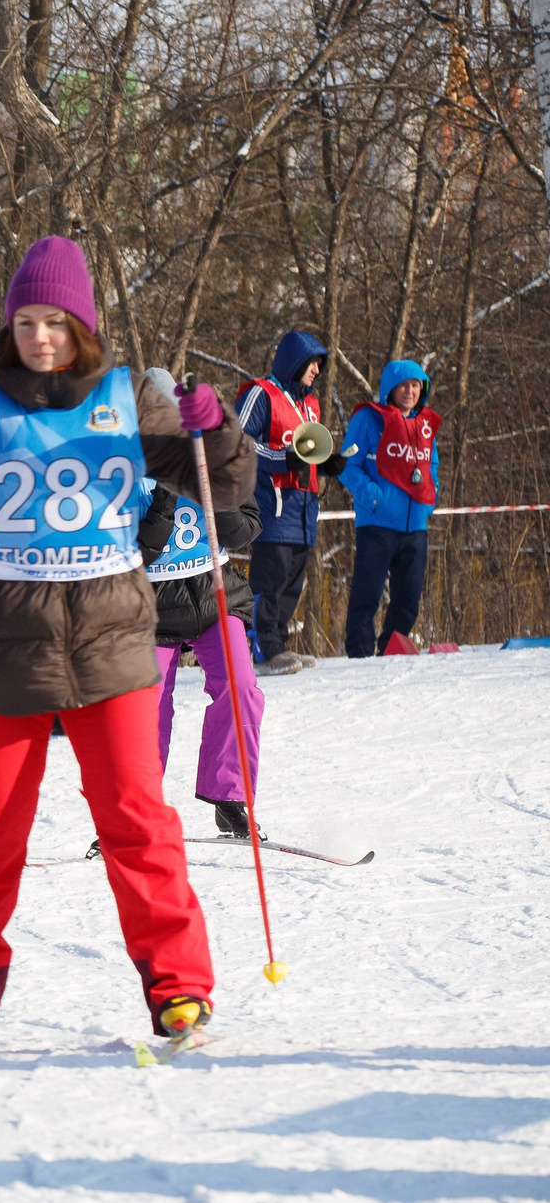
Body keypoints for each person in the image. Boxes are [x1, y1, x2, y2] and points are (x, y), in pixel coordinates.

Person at [0, 235, 242, 1051]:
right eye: (28, 320)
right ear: (9, 326)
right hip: (1, 650)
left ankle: (180, 988)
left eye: (57, 320)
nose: (41, 336)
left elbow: (227, 483)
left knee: (138, 822)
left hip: (111, 649)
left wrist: (215, 433)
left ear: (84, 325)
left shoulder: (123, 397)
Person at [140, 464, 265, 841]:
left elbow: (247, 528)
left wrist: (210, 494)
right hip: (150, 604)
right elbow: (134, 552)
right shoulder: (125, 466)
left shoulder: (213, 457)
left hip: (215, 594)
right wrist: (163, 501)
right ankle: (136, 809)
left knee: (240, 687)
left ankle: (230, 800)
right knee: (146, 705)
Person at [233, 333, 329, 672]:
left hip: (303, 507)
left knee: (292, 582)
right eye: (312, 362)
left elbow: (309, 449)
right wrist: (282, 459)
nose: (317, 370)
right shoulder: (261, 393)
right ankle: (263, 648)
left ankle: (278, 642)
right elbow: (237, 443)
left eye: (320, 364)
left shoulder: (311, 404)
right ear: (295, 361)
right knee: (270, 581)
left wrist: (328, 461)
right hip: (271, 506)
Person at [339, 359, 439, 658]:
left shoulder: (425, 425)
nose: (410, 391)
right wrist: (373, 495)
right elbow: (346, 465)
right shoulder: (368, 419)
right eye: (405, 386)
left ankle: (391, 653)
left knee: (408, 599)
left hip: (415, 526)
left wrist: (430, 500)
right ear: (390, 389)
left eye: (416, 386)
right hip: (377, 523)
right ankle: (359, 654)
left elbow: (431, 466)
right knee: (367, 595)